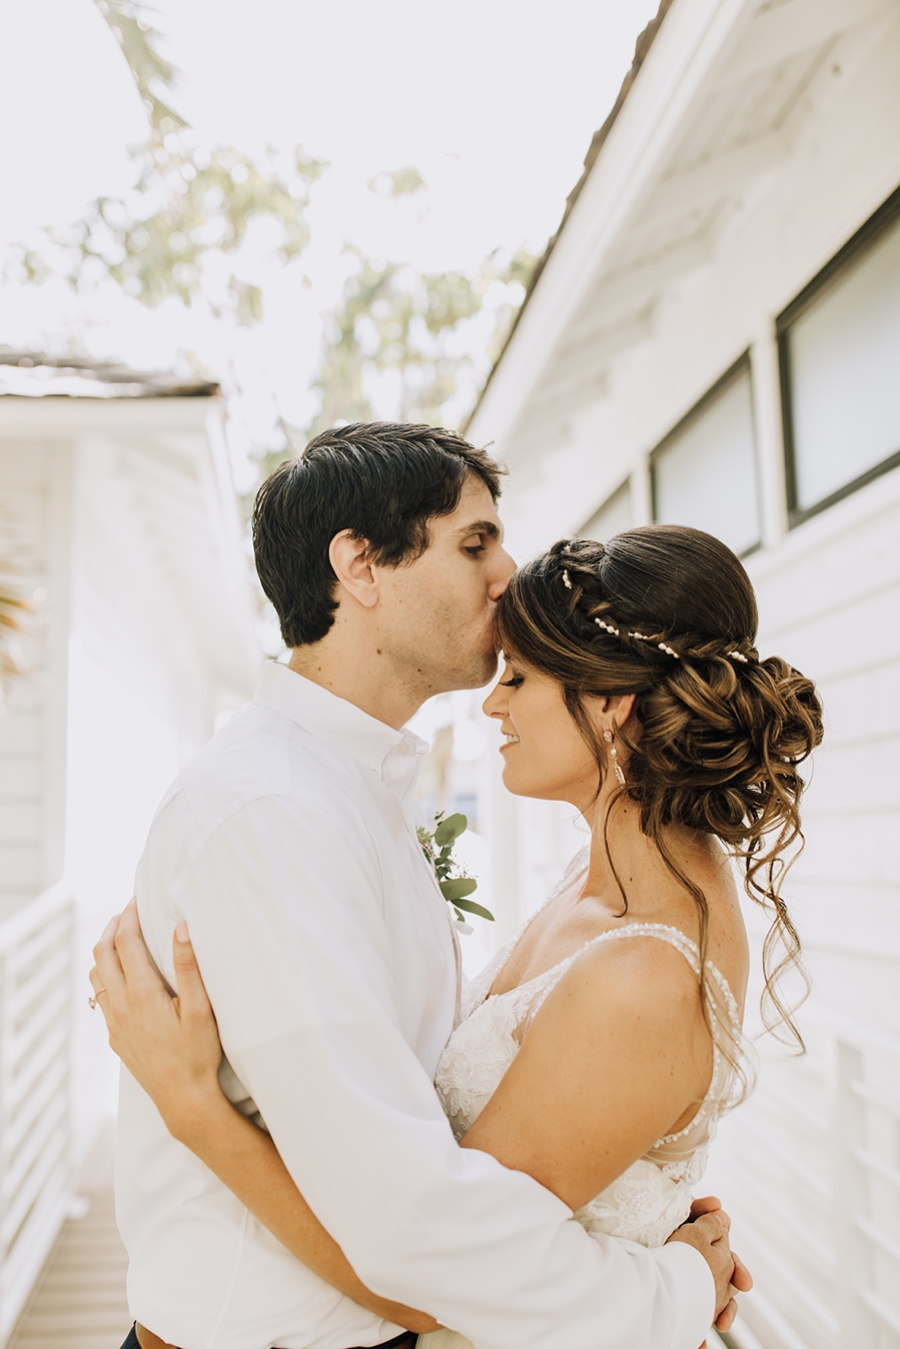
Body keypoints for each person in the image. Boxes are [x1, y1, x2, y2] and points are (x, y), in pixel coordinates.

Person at [90, 424, 786, 1349]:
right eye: (474, 542)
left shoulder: (357, 791)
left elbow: (438, 1198)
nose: (505, 572)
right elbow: (422, 1237)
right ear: (361, 566)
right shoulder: (275, 812)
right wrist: (673, 1284)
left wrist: (634, 1191)